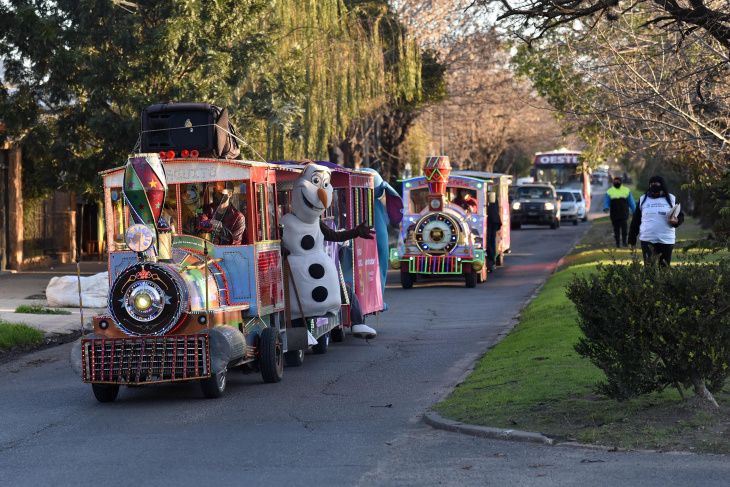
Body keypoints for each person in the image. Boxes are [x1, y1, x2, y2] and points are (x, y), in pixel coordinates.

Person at [628, 175, 684, 266]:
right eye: (651, 184)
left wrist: (676, 222)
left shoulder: (671, 198)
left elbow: (681, 216)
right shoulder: (643, 199)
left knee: (664, 269)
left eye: (657, 183)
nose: (654, 185)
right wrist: (631, 239)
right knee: (649, 269)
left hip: (666, 240)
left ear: (662, 185)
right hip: (647, 239)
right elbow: (635, 220)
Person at [603, 176, 636, 247]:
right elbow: (606, 201)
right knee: (616, 230)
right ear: (613, 182)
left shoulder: (626, 190)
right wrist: (606, 207)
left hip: (624, 214)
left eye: (618, 181)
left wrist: (634, 211)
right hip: (614, 214)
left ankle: (624, 242)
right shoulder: (609, 191)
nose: (617, 182)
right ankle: (617, 243)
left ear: (621, 182)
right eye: (615, 181)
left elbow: (631, 202)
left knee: (624, 229)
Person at [486, 191, 502, 272]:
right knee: (490, 241)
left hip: (491, 221)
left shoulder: (491, 195)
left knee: (489, 241)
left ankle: (491, 261)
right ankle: (491, 261)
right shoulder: (491, 194)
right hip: (491, 220)